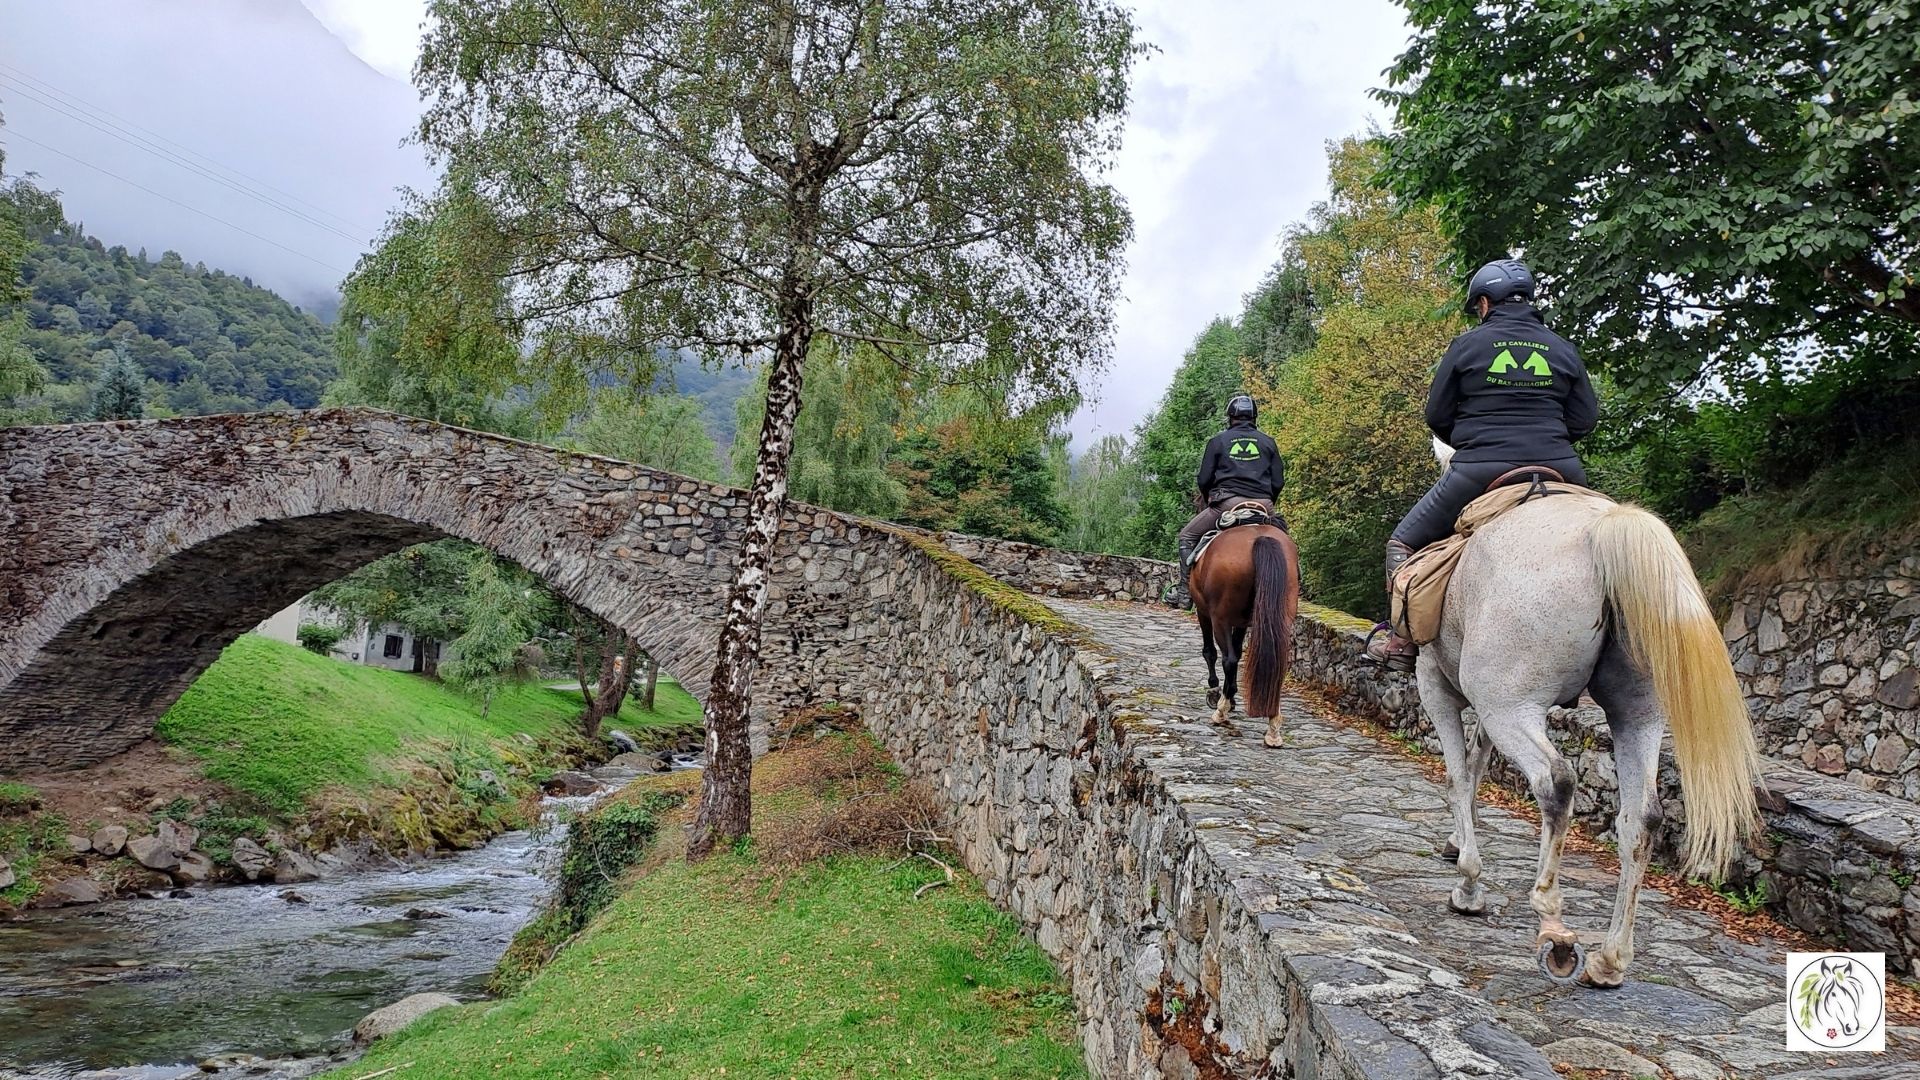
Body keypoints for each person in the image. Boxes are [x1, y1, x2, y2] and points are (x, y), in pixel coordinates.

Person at [1366, 258, 1599, 670]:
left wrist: (1473, 443)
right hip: (1563, 468)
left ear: (1486, 303)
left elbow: (1437, 416)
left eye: (1478, 306)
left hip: (1480, 469)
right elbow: (1585, 420)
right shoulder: (1562, 348)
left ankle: (1401, 641)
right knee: (1614, 541)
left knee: (1401, 543)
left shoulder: (1467, 346)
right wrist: (1548, 442)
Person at [1172, 394, 1285, 606]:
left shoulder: (1218, 441)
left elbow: (1204, 479)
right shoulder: (1268, 442)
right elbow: (1278, 481)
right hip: (1263, 505)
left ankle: (1184, 592)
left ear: (1230, 417)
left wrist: (1209, 500)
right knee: (1284, 542)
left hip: (1227, 504)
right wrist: (1268, 504)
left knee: (1186, 536)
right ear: (1254, 417)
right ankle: (1294, 578)